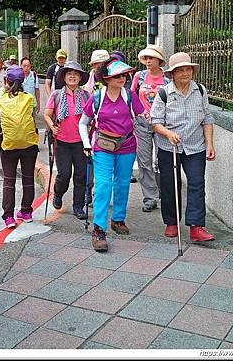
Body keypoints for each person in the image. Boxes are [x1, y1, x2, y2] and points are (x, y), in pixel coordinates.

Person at [79, 58, 145, 252]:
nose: (123, 78)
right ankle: (99, 229)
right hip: (102, 146)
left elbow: (143, 116)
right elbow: (83, 123)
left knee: (123, 183)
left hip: (127, 145)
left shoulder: (130, 96)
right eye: (118, 75)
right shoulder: (97, 97)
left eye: (124, 75)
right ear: (106, 78)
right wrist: (86, 144)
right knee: (103, 185)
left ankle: (118, 219)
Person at [150, 52, 216, 242]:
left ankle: (196, 227)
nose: (186, 73)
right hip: (169, 146)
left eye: (188, 69)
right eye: (181, 70)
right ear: (172, 74)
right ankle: (171, 222)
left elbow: (207, 119)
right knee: (170, 184)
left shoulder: (200, 91)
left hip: (196, 146)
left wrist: (210, 144)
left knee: (196, 183)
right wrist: (169, 133)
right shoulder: (164, 93)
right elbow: (155, 122)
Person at [44, 61, 90, 220]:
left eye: (76, 74)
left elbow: (91, 116)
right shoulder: (56, 95)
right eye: (69, 74)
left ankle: (78, 206)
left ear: (80, 78)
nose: (72, 76)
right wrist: (52, 126)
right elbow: (47, 115)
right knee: (64, 174)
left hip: (81, 142)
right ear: (63, 77)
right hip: (61, 141)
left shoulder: (85, 96)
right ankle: (58, 193)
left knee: (80, 175)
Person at [0, 65, 39, 228]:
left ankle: (9, 217)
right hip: (29, 144)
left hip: (9, 145)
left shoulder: (1, 99)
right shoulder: (29, 98)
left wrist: (4, 87)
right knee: (28, 178)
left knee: (9, 180)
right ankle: (26, 212)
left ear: (7, 80)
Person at [130, 44, 170, 212]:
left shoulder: (167, 79)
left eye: (151, 58)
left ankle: (164, 193)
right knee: (144, 162)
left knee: (161, 161)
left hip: (162, 124)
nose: (147, 61)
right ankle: (150, 198)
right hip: (142, 123)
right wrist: (138, 113)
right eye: (146, 58)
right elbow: (132, 95)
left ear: (159, 60)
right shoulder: (139, 76)